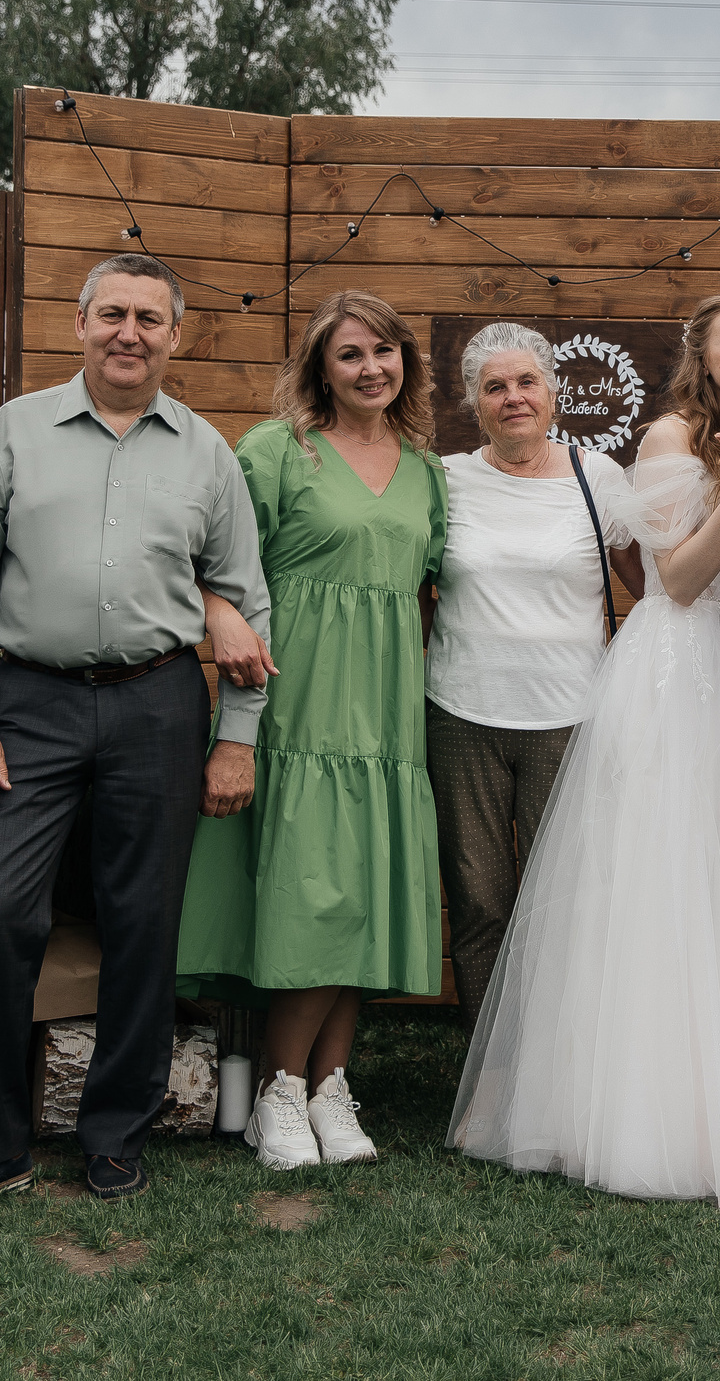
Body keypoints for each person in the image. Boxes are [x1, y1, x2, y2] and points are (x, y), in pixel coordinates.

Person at [451, 289, 720, 1209]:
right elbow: (681, 579)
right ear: (701, 353)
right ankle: (636, 1112)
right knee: (658, 888)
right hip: (673, 670)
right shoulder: (667, 438)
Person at [0, 252, 268, 1213]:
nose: (129, 333)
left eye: (149, 319)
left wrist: (237, 734)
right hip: (25, 704)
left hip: (159, 703)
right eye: (112, 313)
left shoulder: (206, 452)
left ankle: (116, 1132)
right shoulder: (15, 431)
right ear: (79, 324)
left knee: (142, 923)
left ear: (175, 335)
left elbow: (243, 596)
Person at [176, 290, 448, 1172]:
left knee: (359, 890)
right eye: (350, 354)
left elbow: (425, 589)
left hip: (387, 717)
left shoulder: (426, 470)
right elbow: (209, 563)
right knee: (312, 896)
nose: (372, 368)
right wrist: (224, 632)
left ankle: (329, 1083)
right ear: (320, 369)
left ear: (406, 360)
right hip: (298, 701)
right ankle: (278, 1089)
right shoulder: (274, 451)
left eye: (385, 351)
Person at [422, 322, 645, 1024]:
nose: (513, 397)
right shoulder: (446, 479)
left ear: (553, 392)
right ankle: (489, 1062)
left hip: (570, 721)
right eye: (495, 387)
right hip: (462, 717)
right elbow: (417, 593)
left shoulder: (597, 477)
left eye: (527, 382)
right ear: (473, 402)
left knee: (564, 903)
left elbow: (655, 591)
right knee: (479, 901)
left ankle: (555, 1059)